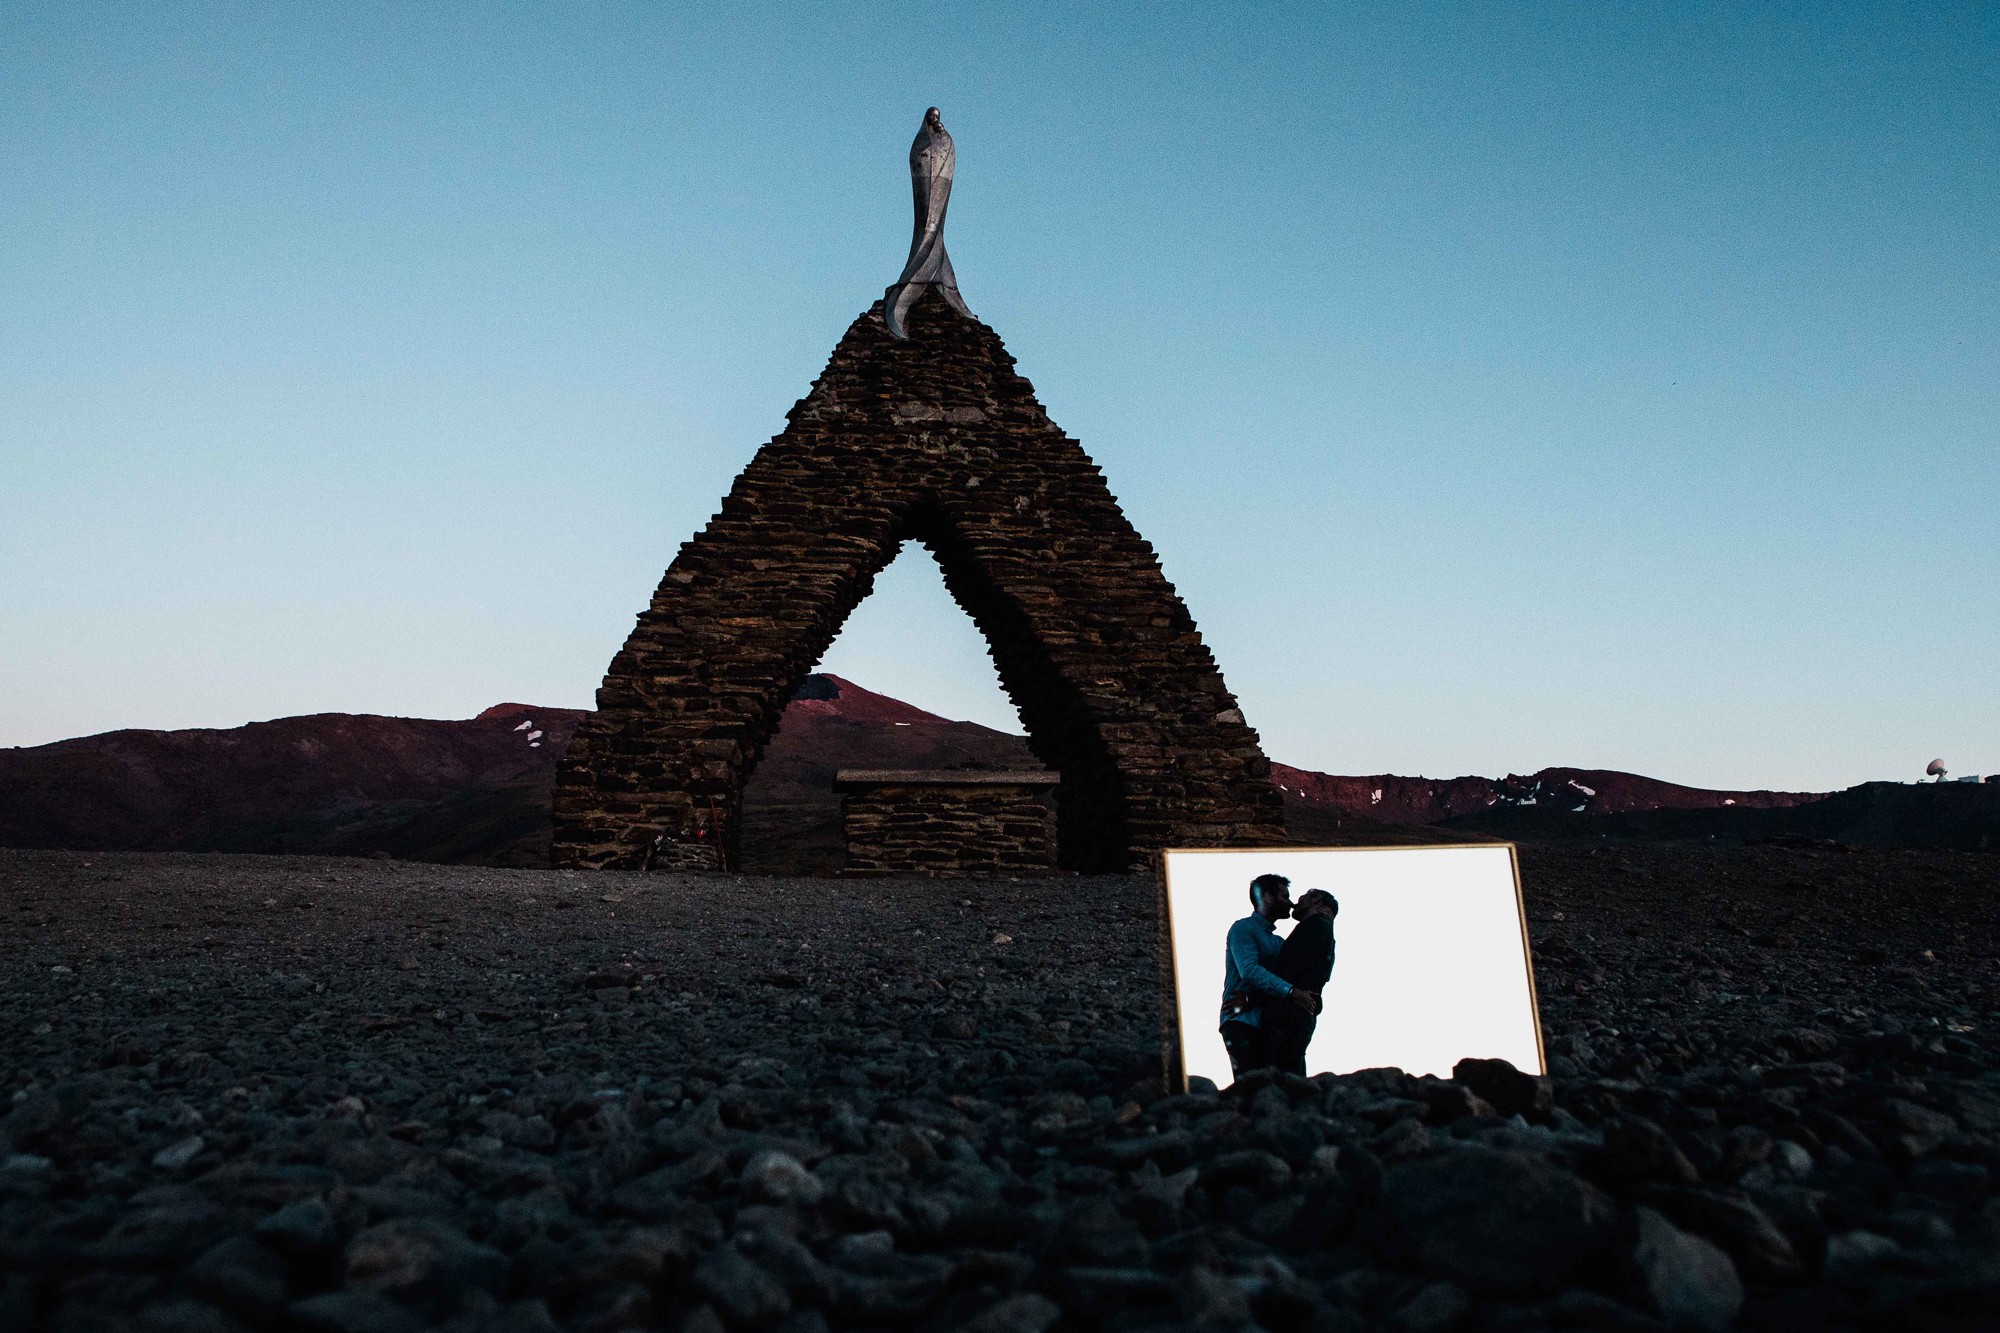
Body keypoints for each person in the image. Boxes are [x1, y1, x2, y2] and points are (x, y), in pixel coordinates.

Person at [1219, 874, 1321, 1081]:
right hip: (1240, 1020)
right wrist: (1292, 992)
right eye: (1284, 896)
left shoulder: (1279, 943)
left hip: (1267, 1023)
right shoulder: (1243, 928)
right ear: (1267, 897)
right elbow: (1249, 971)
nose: (1291, 902)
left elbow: (1288, 976)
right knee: (1250, 1084)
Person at [1260, 889, 1338, 1076]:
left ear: (1316, 899)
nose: (1296, 901)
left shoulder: (1313, 926)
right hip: (1300, 1013)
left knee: (1281, 1075)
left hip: (1289, 1011)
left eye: (1303, 896)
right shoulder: (1324, 930)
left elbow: (1287, 969)